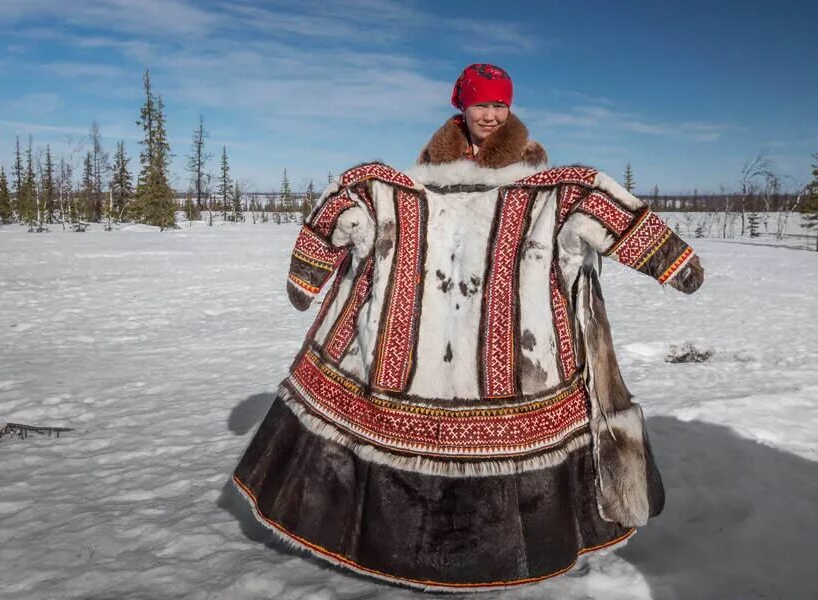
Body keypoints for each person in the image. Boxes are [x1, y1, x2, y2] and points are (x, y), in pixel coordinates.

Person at [232, 63, 704, 592]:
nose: (490, 114)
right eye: (481, 104)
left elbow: (600, 203)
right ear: (463, 107)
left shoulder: (546, 187)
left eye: (500, 104)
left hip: (521, 339)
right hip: (416, 336)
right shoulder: (411, 182)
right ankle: (394, 547)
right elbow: (347, 202)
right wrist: (310, 270)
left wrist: (670, 259)